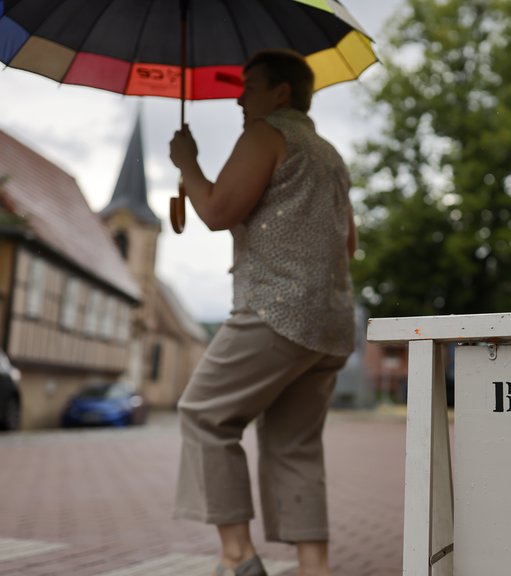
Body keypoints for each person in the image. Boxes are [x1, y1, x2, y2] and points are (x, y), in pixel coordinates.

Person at [168, 49, 356, 576]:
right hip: (332, 323)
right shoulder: (330, 155)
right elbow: (350, 242)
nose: (238, 96)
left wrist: (187, 164)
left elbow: (219, 211)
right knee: (295, 445)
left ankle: (237, 557)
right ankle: (314, 568)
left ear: (281, 93)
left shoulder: (266, 134)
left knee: (203, 414)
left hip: (275, 310)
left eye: (249, 86)